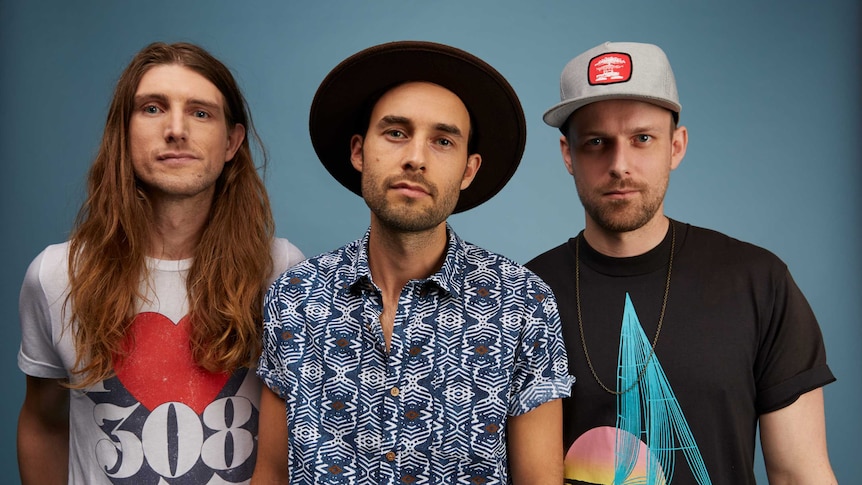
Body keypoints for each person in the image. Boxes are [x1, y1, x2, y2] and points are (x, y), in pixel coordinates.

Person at [252, 41, 573, 484]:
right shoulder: (295, 298)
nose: (416, 158)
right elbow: (271, 475)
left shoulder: (521, 302)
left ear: (468, 170)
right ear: (359, 151)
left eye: (443, 141)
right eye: (397, 132)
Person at [526, 41, 837, 484]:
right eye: (597, 142)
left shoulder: (758, 282)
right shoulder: (523, 293)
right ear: (567, 155)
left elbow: (799, 473)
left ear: (676, 146)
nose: (620, 165)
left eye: (642, 139)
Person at [16, 42, 304, 484]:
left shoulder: (282, 270)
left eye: (201, 113)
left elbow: (292, 441)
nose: (176, 129)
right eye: (152, 108)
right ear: (123, 133)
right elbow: (43, 421)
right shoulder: (56, 275)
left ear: (232, 143)